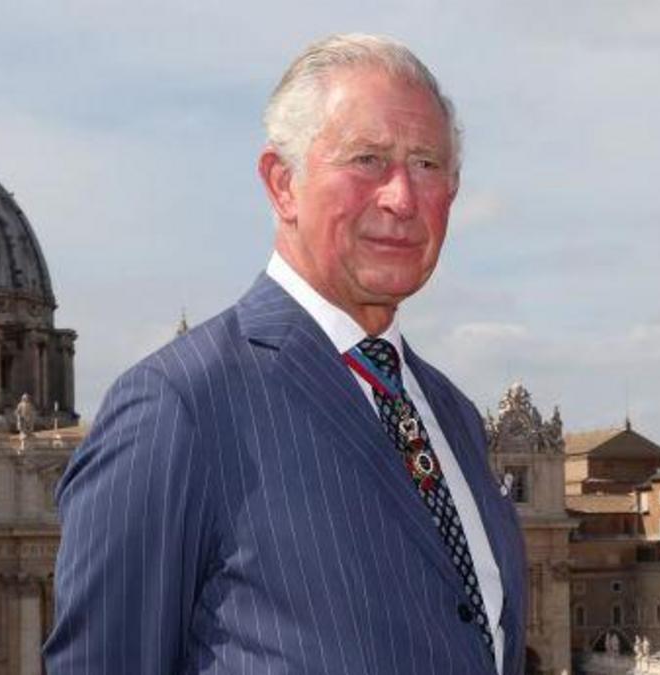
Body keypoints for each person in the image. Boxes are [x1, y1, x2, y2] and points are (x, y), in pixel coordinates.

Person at [44, 33, 527, 675]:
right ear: (282, 184)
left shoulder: (454, 417)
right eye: (367, 159)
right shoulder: (177, 407)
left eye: (427, 165)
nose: (402, 198)